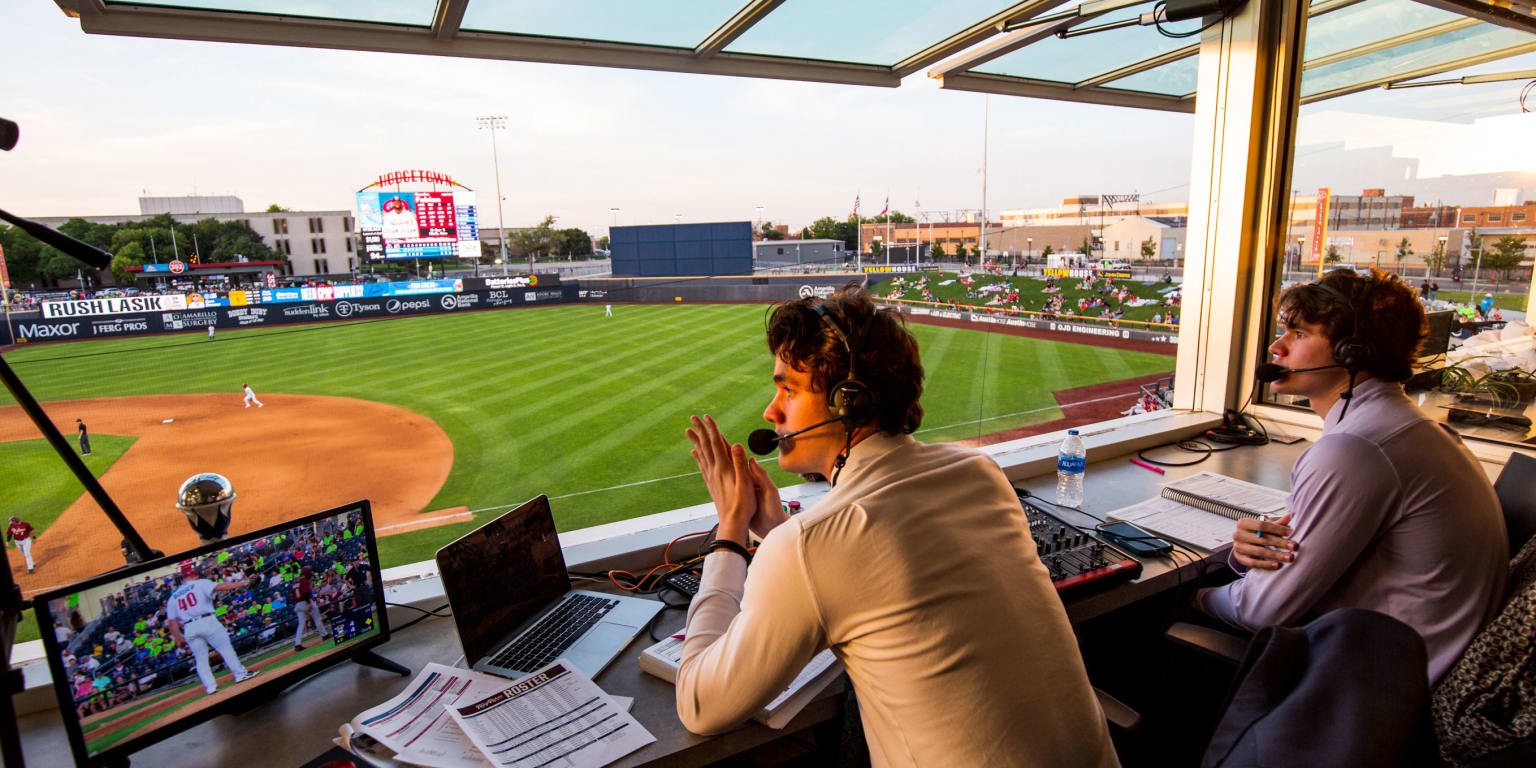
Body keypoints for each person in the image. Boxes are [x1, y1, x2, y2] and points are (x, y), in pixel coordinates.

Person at [674, 285, 1116, 766]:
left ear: (849, 401)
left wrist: (730, 532)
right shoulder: (980, 473)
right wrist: (777, 529)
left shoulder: (811, 546)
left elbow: (699, 704)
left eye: (788, 389)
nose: (771, 411)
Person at [1195, 268, 1507, 683]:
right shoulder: (1414, 429)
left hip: (1383, 695)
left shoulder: (1355, 450)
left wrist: (1193, 596)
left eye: (1299, 334)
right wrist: (1244, 557)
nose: (1277, 346)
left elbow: (1260, 610)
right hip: (1411, 664)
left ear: (1352, 352)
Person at [166, 563, 258, 695]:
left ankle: (210, 688)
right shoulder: (201, 583)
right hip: (206, 620)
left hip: (189, 627)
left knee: (201, 659)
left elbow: (172, 622)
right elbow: (221, 586)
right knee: (225, 648)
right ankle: (240, 674)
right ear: (195, 575)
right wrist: (243, 583)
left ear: (182, 580)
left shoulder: (173, 597)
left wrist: (178, 639)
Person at [292, 565, 329, 651]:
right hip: (306, 602)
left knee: (301, 624)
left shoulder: (295, 583)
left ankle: (297, 644)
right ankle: (324, 635)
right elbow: (305, 593)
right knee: (317, 618)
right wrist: (308, 604)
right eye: (309, 573)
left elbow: (294, 595)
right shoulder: (304, 581)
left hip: (297, 604)